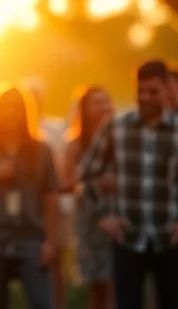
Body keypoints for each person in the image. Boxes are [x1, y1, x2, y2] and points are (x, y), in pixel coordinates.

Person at [79, 60, 178, 309]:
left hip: (169, 236)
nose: (145, 97)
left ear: (167, 89)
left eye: (152, 91)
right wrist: (102, 216)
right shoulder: (116, 127)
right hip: (128, 237)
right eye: (140, 91)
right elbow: (87, 173)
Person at [0, 85, 60, 309]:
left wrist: (51, 242)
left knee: (43, 303)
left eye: (16, 107)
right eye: (5, 107)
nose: (11, 113)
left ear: (25, 112)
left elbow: (52, 196)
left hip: (31, 238)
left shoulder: (41, 150)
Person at [61, 87, 115, 309]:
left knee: (115, 281)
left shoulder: (120, 139)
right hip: (88, 219)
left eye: (106, 101)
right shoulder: (75, 144)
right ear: (85, 109)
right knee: (96, 284)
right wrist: (82, 182)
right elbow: (62, 184)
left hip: (116, 218)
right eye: (97, 103)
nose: (103, 107)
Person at [24, 79, 70, 309]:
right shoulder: (20, 131)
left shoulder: (55, 128)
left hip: (54, 203)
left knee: (56, 261)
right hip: (29, 207)